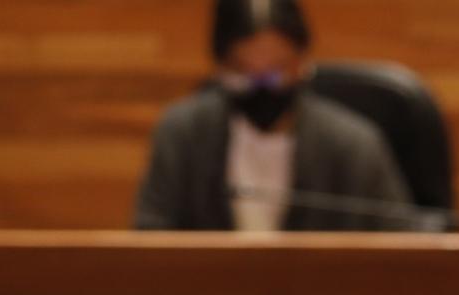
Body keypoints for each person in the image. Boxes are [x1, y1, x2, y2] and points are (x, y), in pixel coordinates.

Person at [133, 0, 417, 232]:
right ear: (219, 67)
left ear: (303, 62)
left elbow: (403, 247)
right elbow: (151, 240)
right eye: (243, 72)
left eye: (276, 71)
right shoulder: (182, 135)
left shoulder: (354, 146)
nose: (262, 87)